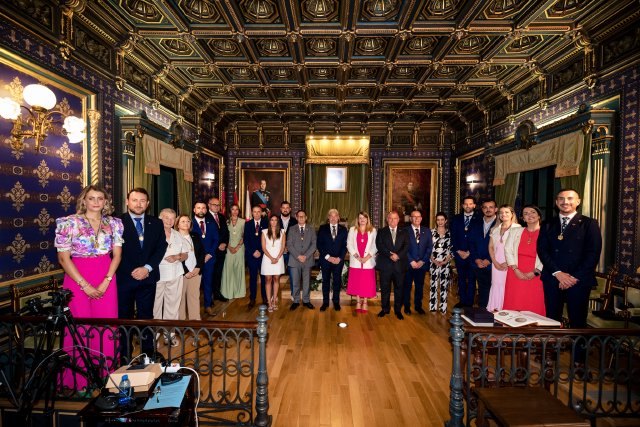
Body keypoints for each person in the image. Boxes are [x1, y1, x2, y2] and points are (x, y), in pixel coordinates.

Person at [54, 184, 122, 390]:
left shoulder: (114, 223)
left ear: (106, 201)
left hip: (106, 277)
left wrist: (106, 280)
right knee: (79, 327)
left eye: (100, 198)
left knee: (106, 326)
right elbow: (63, 259)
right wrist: (84, 285)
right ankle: (78, 380)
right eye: (91, 198)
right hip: (76, 277)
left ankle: (106, 375)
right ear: (84, 200)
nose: (96, 202)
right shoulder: (68, 223)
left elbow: (117, 255)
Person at [537, 189, 602, 327]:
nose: (565, 202)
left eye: (570, 198)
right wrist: (558, 273)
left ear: (578, 202)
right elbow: (542, 250)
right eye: (561, 198)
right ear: (556, 202)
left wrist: (572, 277)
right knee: (551, 320)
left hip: (578, 280)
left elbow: (593, 253)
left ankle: (577, 343)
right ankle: (553, 343)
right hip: (553, 278)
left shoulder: (589, 224)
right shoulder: (548, 224)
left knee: (578, 321)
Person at [117, 187, 168, 359]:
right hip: (124, 278)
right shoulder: (117, 223)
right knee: (124, 318)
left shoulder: (157, 223)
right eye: (134, 200)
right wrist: (133, 271)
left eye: (142, 201)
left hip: (148, 278)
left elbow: (161, 247)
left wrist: (147, 268)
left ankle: (148, 353)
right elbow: (113, 252)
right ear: (127, 202)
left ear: (147, 204)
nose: (138, 204)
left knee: (146, 317)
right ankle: (125, 355)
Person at [503, 205, 545, 315]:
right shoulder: (515, 231)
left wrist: (536, 271)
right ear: (523, 218)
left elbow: (548, 254)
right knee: (514, 301)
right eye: (526, 213)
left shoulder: (546, 233)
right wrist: (515, 269)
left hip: (537, 272)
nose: (529, 215)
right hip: (515, 271)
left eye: (533, 212)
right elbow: (508, 250)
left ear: (539, 216)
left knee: (533, 301)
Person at [154, 208, 187, 347]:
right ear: (160, 218)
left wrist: (177, 257)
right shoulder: (153, 233)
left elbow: (185, 254)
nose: (169, 221)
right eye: (166, 218)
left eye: (172, 218)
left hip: (175, 274)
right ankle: (154, 336)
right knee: (155, 306)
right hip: (157, 275)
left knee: (173, 306)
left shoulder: (178, 235)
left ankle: (170, 335)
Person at [376, 210, 410, 320]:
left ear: (398, 220)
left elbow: (406, 246)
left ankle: (397, 310)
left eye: (395, 218)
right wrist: (390, 255)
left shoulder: (404, 232)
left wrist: (398, 255)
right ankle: (385, 309)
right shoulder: (381, 231)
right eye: (390, 218)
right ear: (387, 220)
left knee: (399, 289)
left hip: (399, 265)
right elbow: (379, 245)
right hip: (385, 265)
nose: (393, 220)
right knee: (385, 289)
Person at [486, 205, 521, 312]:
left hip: (511, 262)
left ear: (512, 214)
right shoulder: (495, 229)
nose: (503, 214)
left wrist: (508, 262)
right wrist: (494, 261)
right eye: (501, 212)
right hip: (496, 262)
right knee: (496, 284)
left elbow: (518, 248)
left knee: (507, 285)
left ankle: (506, 309)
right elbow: (491, 247)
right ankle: (495, 308)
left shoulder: (518, 228)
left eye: (506, 212)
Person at [450, 196, 481, 307]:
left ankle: (469, 303)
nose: (468, 206)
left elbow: (479, 237)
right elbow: (452, 236)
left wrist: (469, 252)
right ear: (462, 205)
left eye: (470, 204)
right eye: (466, 204)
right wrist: (458, 251)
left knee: (472, 280)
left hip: (472, 255)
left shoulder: (479, 219)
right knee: (461, 279)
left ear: (474, 205)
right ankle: (462, 301)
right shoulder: (456, 218)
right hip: (459, 255)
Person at [316, 208, 348, 311]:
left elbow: (345, 246)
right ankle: (325, 303)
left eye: (335, 216)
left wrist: (340, 258)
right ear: (328, 218)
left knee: (337, 281)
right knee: (325, 281)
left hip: (338, 261)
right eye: (331, 216)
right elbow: (319, 244)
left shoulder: (343, 230)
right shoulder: (322, 228)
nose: (333, 218)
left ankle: (336, 302)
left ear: (338, 218)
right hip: (326, 260)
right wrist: (328, 257)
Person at [346, 211, 377, 314]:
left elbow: (375, 246)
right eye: (360, 218)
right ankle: (358, 302)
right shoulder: (352, 230)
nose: (362, 220)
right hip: (356, 261)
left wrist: (367, 257)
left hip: (368, 261)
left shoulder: (373, 230)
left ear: (367, 219)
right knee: (357, 282)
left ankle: (365, 302)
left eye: (364, 218)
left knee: (366, 283)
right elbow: (349, 244)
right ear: (357, 220)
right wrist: (357, 257)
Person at [468, 199, 498, 308]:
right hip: (477, 263)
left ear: (496, 209)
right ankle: (482, 312)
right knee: (482, 291)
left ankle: (492, 312)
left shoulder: (500, 224)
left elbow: (500, 246)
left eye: (491, 207)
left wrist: (489, 260)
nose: (488, 209)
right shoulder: (475, 223)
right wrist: (476, 259)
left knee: (492, 291)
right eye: (485, 207)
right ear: (482, 209)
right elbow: (471, 243)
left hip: (494, 264)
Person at [403, 210, 433, 315]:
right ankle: (407, 307)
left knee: (419, 287)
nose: (416, 218)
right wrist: (411, 261)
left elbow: (429, 248)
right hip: (408, 264)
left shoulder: (427, 231)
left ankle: (418, 306)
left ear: (421, 218)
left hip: (421, 265)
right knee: (407, 286)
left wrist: (423, 261)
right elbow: (403, 248)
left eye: (418, 216)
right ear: (410, 218)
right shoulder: (405, 231)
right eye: (414, 216)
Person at [192, 201, 219, 316]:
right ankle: (194, 308)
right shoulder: (189, 223)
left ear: (206, 210)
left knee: (208, 283)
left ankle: (207, 306)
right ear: (194, 210)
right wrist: (199, 257)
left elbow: (216, 240)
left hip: (209, 259)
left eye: (203, 208)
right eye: (198, 208)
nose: (201, 210)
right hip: (194, 260)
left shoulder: (211, 223)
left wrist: (209, 254)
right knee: (194, 285)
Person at [176, 214, 205, 321]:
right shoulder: (175, 237)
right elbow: (176, 257)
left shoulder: (195, 235)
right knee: (180, 298)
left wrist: (198, 267)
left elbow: (201, 253)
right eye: (183, 221)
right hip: (181, 273)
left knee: (194, 297)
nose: (186, 223)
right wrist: (185, 271)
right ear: (177, 224)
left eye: (188, 221)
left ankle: (195, 321)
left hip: (195, 271)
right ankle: (181, 323)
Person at [286, 210, 316, 310]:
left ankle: (306, 300)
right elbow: (289, 244)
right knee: (295, 282)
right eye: (299, 216)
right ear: (296, 217)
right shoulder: (291, 229)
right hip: (295, 259)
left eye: (303, 216)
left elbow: (314, 244)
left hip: (308, 260)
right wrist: (298, 256)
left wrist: (306, 256)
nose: (301, 218)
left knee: (307, 282)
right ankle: (296, 300)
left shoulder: (311, 229)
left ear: (306, 217)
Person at [261, 214, 286, 312]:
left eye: (276, 220)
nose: (274, 222)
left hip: (278, 258)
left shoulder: (282, 232)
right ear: (269, 221)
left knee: (276, 279)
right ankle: (269, 302)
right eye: (272, 220)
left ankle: (274, 301)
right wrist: (271, 258)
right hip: (268, 258)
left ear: (278, 222)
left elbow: (283, 247)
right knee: (268, 279)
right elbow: (264, 248)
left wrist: (277, 258)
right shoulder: (264, 232)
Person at [220, 204, 246, 299]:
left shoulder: (243, 222)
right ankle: (228, 292)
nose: (235, 211)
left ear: (239, 211)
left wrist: (237, 247)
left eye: (236, 209)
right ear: (230, 211)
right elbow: (223, 236)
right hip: (228, 248)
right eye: (233, 209)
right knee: (229, 269)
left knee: (238, 269)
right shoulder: (226, 221)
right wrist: (230, 247)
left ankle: (239, 292)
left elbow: (244, 236)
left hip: (240, 248)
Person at [245, 206, 268, 308]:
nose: (257, 213)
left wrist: (261, 252)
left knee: (264, 278)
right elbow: (246, 240)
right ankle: (252, 299)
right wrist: (253, 252)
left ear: (261, 213)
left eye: (259, 212)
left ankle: (264, 298)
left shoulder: (266, 223)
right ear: (252, 213)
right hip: (252, 256)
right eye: (255, 212)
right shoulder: (248, 224)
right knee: (253, 278)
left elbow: (268, 240)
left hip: (263, 256)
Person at [429, 212, 453, 314]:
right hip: (433, 263)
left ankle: (443, 308)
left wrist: (446, 261)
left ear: (445, 220)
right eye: (438, 220)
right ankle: (433, 307)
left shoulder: (450, 234)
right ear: (436, 221)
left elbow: (452, 249)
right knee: (433, 285)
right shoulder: (431, 232)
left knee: (444, 286)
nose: (440, 222)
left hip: (445, 263)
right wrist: (434, 260)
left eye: (442, 219)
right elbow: (428, 248)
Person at [207, 197, 229, 303]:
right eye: (214, 205)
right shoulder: (205, 217)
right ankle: (209, 297)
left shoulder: (221, 216)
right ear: (209, 205)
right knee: (210, 275)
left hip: (222, 251)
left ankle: (217, 293)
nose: (217, 207)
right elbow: (207, 236)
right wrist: (217, 245)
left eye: (218, 205)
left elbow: (226, 232)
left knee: (218, 273)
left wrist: (225, 243)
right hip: (211, 251)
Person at [278, 201, 297, 295]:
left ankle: (293, 295)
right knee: (275, 276)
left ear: (290, 209)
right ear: (280, 209)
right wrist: (282, 247)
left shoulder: (295, 222)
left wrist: (288, 247)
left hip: (291, 253)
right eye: (283, 208)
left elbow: (296, 238)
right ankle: (274, 295)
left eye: (287, 208)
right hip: (277, 253)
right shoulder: (275, 220)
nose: (285, 210)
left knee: (293, 275)